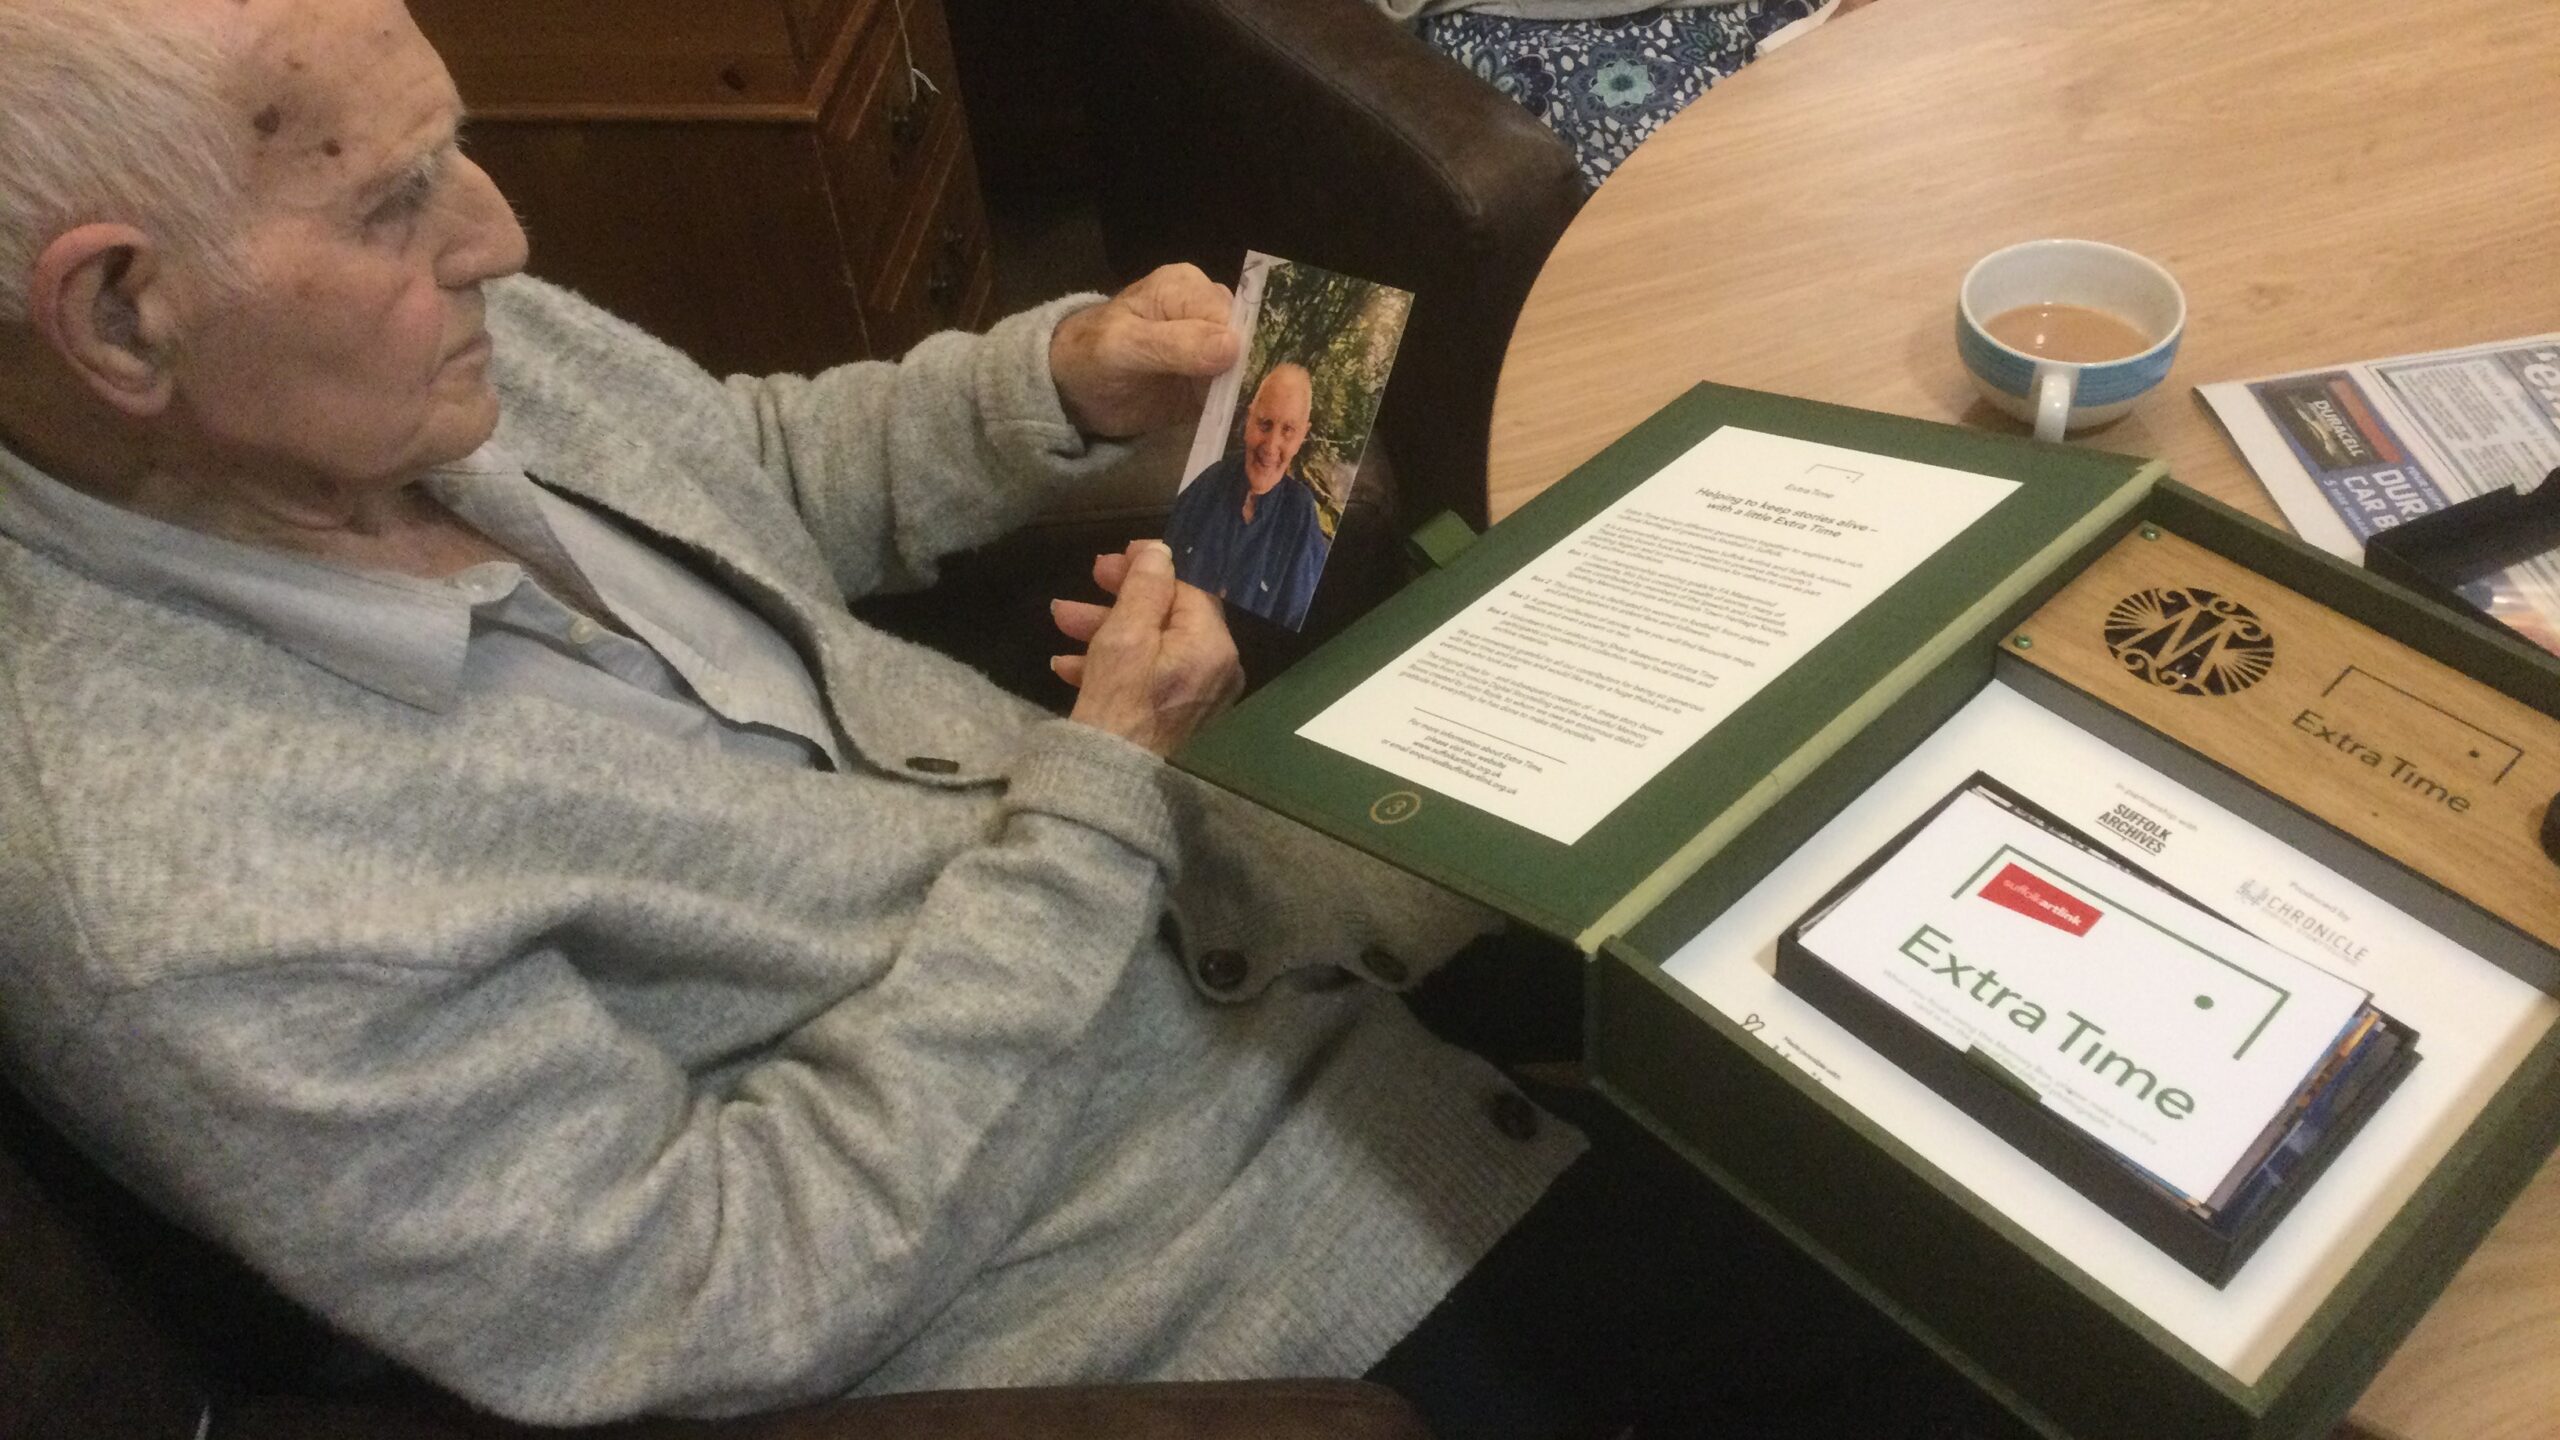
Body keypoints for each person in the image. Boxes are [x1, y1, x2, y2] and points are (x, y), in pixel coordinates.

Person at [0, 3, 2023, 1436]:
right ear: (116, 317)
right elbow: (712, 1285)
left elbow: (746, 464)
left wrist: (1053, 378)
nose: (499, 244)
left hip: (1216, 914)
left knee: (1841, 915)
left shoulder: (388, 368)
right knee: (1960, 1315)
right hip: (1165, 1278)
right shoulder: (176, 896)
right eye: (392, 204)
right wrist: (1092, 800)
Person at [1164, 361, 1332, 629]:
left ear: (1302, 436)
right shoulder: (1210, 482)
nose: (1271, 446)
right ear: (1249, 418)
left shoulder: (1301, 517)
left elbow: (1295, 626)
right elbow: (1161, 564)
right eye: (1264, 424)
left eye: (1288, 430)